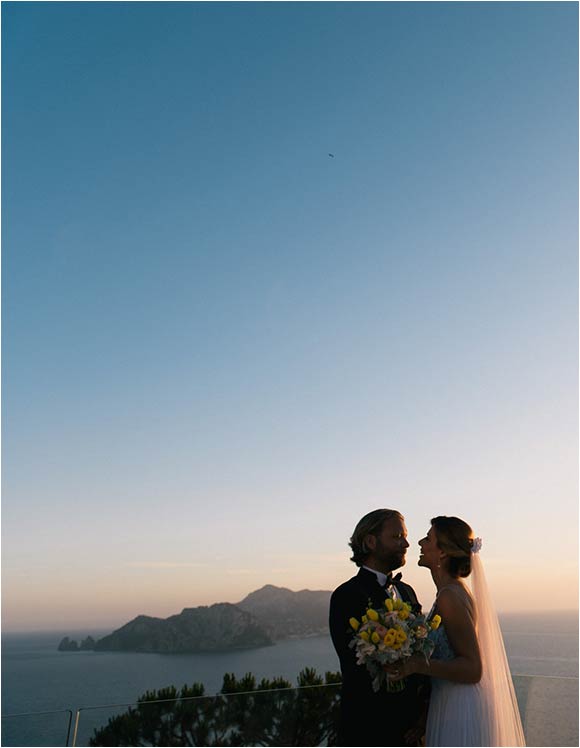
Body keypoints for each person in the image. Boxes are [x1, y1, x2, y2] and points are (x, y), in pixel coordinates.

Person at [385, 516, 525, 746]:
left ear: (443, 552)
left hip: (460, 710)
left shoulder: (449, 596)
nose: (420, 543)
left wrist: (416, 664)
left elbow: (473, 669)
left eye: (428, 538)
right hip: (449, 702)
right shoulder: (451, 592)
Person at [329, 509, 428, 747]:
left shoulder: (407, 591)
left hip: (410, 731)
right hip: (367, 728)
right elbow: (354, 662)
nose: (406, 543)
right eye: (396, 537)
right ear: (370, 542)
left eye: (404, 537)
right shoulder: (346, 596)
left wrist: (422, 718)